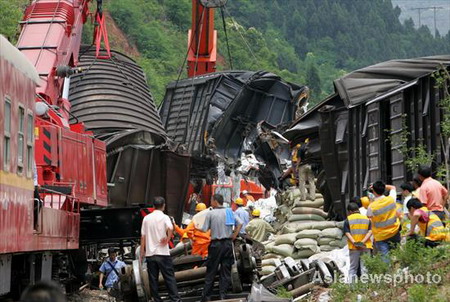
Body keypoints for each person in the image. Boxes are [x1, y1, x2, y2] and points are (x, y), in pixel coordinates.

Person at [200, 194, 243, 301]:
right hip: (227, 244)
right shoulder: (229, 212)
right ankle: (222, 295)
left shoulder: (210, 213)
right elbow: (240, 223)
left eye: (211, 199)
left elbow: (204, 229)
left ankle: (206, 297)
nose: (210, 201)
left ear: (215, 201)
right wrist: (234, 235)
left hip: (216, 245)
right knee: (225, 271)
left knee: (211, 271)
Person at [140, 197, 181, 302]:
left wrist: (141, 254)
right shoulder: (165, 217)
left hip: (150, 254)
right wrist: (167, 239)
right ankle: (175, 299)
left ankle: (157, 300)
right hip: (163, 254)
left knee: (153, 280)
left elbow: (143, 237)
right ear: (163, 206)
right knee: (169, 278)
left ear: (153, 206)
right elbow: (171, 228)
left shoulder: (146, 218)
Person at [366, 180, 401, 262]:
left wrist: (372, 199)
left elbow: (369, 216)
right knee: (397, 255)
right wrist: (380, 186)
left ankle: (387, 274)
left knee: (385, 259)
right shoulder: (391, 199)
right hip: (394, 232)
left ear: (373, 191)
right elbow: (393, 187)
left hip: (381, 236)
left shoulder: (372, 206)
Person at [344, 202, 372, 283]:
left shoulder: (347, 220)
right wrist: (362, 242)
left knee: (353, 268)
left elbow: (347, 233)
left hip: (354, 248)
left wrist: (355, 242)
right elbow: (370, 232)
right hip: (365, 246)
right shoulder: (367, 219)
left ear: (350, 211)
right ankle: (365, 287)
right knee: (365, 268)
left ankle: (351, 287)